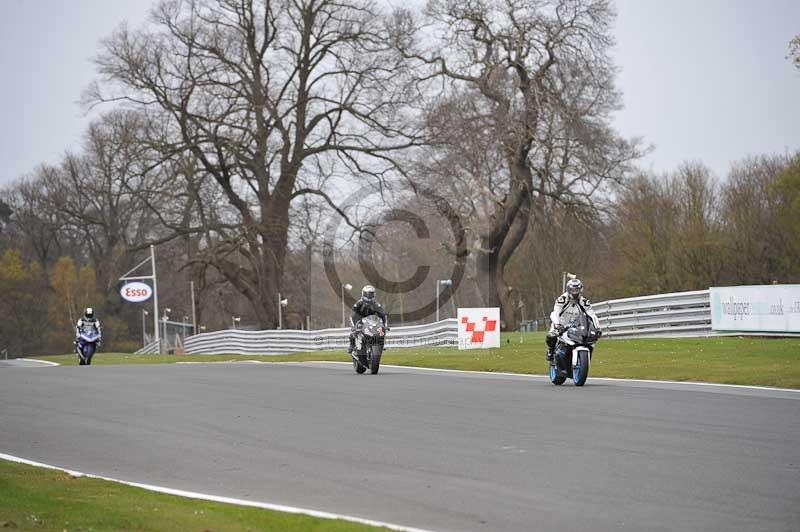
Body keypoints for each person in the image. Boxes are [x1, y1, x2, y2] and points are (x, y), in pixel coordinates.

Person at [545, 278, 600, 361]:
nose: (575, 292)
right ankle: (551, 350)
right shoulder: (562, 300)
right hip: (560, 325)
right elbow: (555, 313)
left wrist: (597, 327)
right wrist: (557, 324)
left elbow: (592, 315)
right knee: (551, 336)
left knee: (589, 340)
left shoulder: (584, 302)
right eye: (573, 290)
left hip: (576, 326)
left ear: (581, 290)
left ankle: (584, 358)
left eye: (577, 290)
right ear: (568, 290)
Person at [348, 285, 387, 354]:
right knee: (353, 332)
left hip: (371, 322)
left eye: (371, 294)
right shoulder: (359, 303)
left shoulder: (376, 304)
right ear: (363, 294)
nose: (369, 296)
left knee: (381, 331)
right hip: (360, 321)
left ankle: (381, 344)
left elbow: (382, 315)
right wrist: (355, 325)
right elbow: (353, 314)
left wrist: (384, 325)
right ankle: (352, 345)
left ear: (374, 294)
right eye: (367, 294)